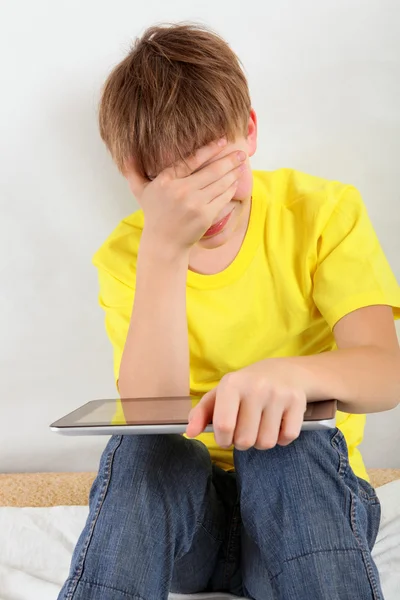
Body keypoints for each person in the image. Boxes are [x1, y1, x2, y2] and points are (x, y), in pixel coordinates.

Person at [59, 23, 400, 600]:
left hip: (309, 506)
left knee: (286, 444)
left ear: (250, 132)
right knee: (144, 451)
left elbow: (386, 373)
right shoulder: (129, 255)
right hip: (194, 531)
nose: (208, 206)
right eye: (181, 188)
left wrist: (291, 374)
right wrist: (164, 248)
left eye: (219, 172)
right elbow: (148, 414)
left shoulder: (322, 214)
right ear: (136, 177)